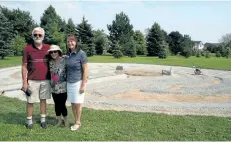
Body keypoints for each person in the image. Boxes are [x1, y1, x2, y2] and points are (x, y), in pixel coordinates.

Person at [22, 27, 51, 129]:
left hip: (46, 80)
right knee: (30, 101)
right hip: (32, 80)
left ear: (43, 36)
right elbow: (24, 66)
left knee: (43, 100)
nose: (37, 36)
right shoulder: (27, 49)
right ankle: (29, 121)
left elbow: (56, 58)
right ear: (32, 36)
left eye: (39, 35)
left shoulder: (48, 48)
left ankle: (43, 120)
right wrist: (25, 82)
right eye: (35, 35)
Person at [66, 34, 88, 131]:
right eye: (68, 41)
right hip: (69, 82)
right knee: (73, 103)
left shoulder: (81, 54)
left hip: (78, 82)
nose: (70, 43)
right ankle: (76, 120)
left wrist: (83, 84)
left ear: (76, 42)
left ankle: (77, 122)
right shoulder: (68, 54)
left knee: (78, 103)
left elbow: (85, 69)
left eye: (72, 41)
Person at [47, 45, 69, 127]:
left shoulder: (65, 59)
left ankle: (66, 121)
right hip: (53, 87)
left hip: (63, 87)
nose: (53, 53)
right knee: (56, 104)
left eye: (55, 51)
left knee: (62, 104)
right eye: (51, 52)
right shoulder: (50, 61)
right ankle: (59, 121)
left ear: (58, 52)